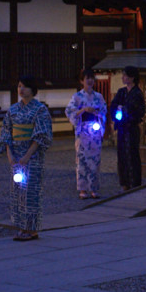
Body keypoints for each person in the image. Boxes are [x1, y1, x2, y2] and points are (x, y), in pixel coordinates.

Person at [0, 75, 53, 241]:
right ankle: (21, 226)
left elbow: (41, 135)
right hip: (16, 155)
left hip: (33, 156)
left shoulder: (40, 110)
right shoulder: (13, 110)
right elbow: (7, 132)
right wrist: (10, 154)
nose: (21, 89)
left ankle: (31, 229)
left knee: (31, 192)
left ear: (32, 89)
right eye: (19, 86)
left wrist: (27, 155)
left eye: (25, 86)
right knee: (17, 193)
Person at [65, 68, 107, 199]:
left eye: (91, 78)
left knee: (95, 161)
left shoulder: (98, 97)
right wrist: (83, 110)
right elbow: (69, 111)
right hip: (83, 131)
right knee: (82, 160)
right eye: (86, 78)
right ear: (81, 81)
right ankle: (83, 189)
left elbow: (104, 110)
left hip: (94, 132)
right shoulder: (77, 97)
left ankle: (94, 188)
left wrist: (96, 112)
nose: (89, 80)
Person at [108, 65, 146, 191]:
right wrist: (117, 114)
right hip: (122, 128)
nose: (123, 78)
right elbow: (113, 105)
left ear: (132, 77)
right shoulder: (121, 92)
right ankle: (124, 182)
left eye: (125, 75)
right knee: (122, 155)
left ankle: (134, 182)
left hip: (131, 127)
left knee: (132, 154)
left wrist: (125, 112)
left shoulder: (137, 93)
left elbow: (139, 111)